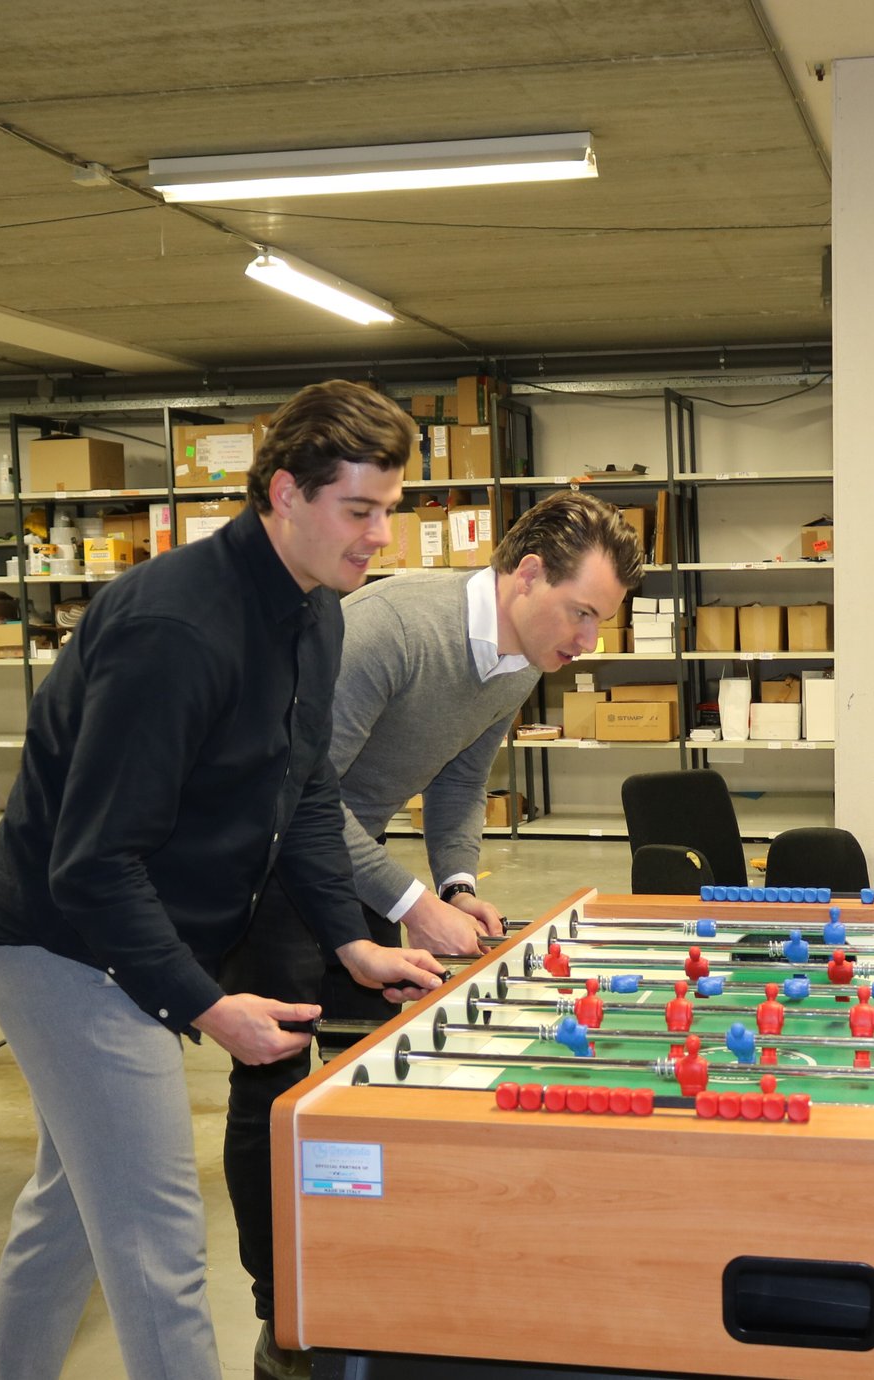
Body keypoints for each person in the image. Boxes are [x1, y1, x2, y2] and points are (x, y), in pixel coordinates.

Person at [0, 380, 446, 1380]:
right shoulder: (174, 631)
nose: (378, 541)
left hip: (136, 933)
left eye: (387, 513)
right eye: (358, 512)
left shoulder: (314, 611)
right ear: (283, 492)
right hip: (64, 946)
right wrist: (207, 1003)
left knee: (70, 1214)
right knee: (156, 1242)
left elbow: (304, 789)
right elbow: (92, 863)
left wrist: (348, 936)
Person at [223, 490, 642, 1380]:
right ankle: (282, 1311)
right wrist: (411, 901)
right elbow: (300, 800)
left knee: (397, 1049)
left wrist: (454, 881)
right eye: (582, 613)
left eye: (600, 622)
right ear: (527, 574)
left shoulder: (525, 656)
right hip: (261, 860)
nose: (588, 641)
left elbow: (461, 773)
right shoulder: (389, 633)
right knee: (275, 1071)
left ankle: (385, 1270)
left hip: (345, 851)